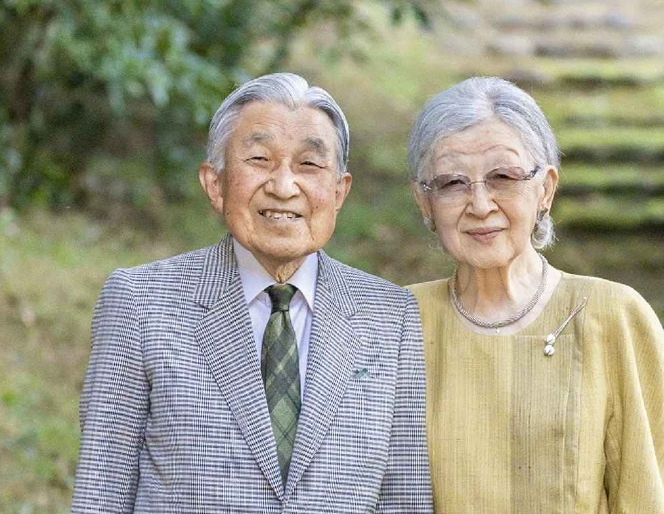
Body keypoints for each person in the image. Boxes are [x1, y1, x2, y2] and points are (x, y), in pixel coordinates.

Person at [71, 73, 432, 512]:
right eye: (260, 159)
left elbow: (405, 498)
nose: (283, 186)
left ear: (339, 192)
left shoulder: (391, 315)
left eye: (309, 164)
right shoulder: (140, 303)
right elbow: (101, 493)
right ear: (215, 183)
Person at [406, 76, 664, 513]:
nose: (480, 205)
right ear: (425, 202)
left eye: (503, 177)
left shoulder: (613, 317)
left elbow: (645, 498)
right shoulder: (397, 322)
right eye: (453, 183)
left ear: (545, 189)